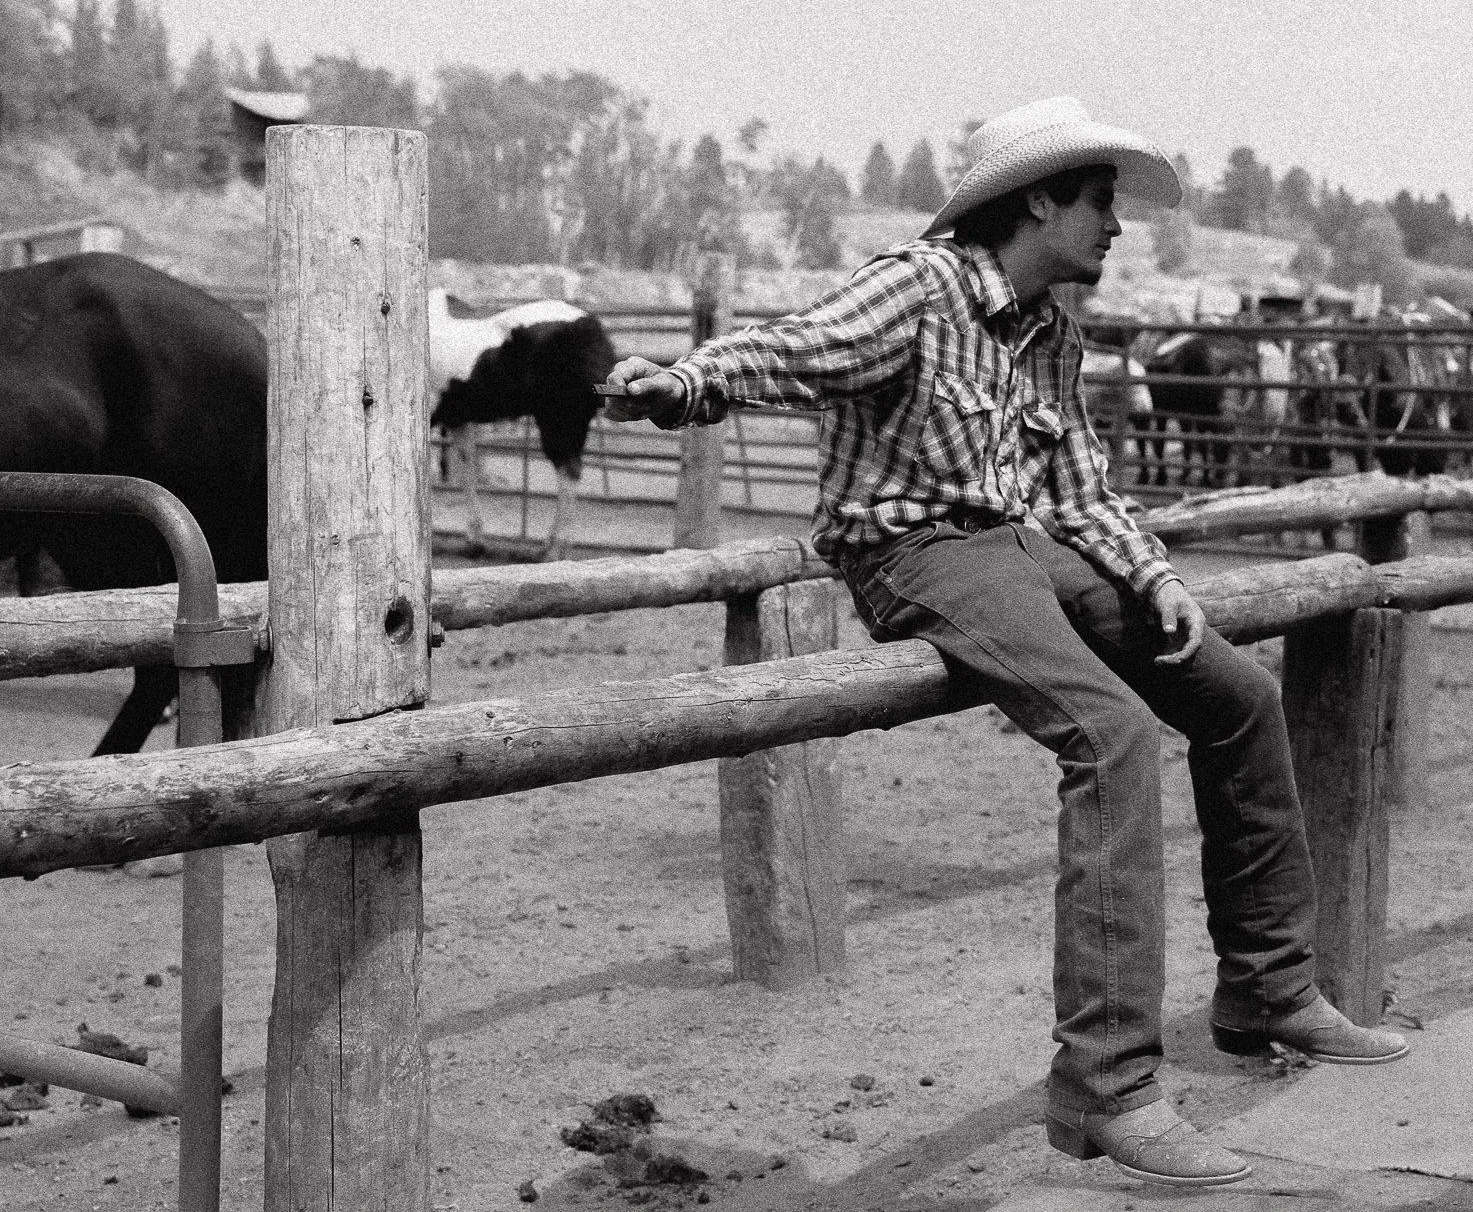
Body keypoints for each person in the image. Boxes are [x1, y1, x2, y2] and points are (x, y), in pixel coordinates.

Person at [602, 97, 1406, 1189]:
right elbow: (798, 349)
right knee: (1111, 734)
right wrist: (686, 382)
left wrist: (1155, 577)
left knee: (1234, 697)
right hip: (917, 551)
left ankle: (1267, 989)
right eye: (1099, 201)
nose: (1115, 226)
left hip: (1020, 545)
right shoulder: (917, 286)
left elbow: (1076, 487)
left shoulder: (1049, 333)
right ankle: (1109, 1085)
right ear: (1037, 199)